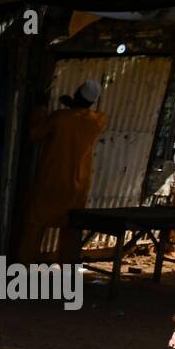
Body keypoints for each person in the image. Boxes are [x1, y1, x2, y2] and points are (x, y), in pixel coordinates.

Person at [16, 79, 107, 263]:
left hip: (50, 180)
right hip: (77, 186)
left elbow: (34, 133)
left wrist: (40, 109)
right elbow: (82, 115)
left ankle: (21, 267)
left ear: (76, 94)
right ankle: (66, 270)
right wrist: (73, 105)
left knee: (34, 226)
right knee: (70, 230)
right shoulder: (97, 121)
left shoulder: (59, 118)